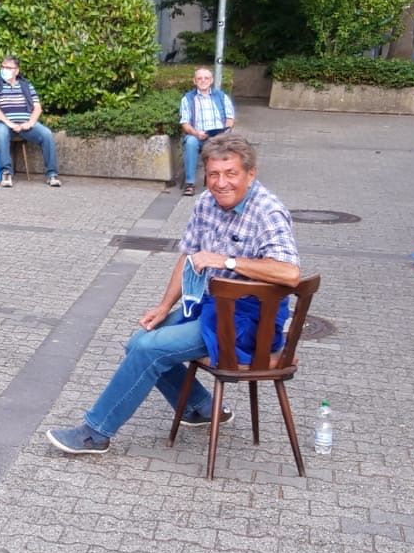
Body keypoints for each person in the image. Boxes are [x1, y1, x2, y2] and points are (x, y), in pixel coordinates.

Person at [46, 134, 300, 455]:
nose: (221, 183)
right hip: (212, 307)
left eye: (231, 173)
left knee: (149, 349)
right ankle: (201, 407)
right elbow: (188, 256)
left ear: (251, 174)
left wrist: (228, 261)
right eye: (213, 174)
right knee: (138, 341)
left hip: (250, 322)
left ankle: (96, 433)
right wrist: (165, 305)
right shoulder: (207, 203)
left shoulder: (268, 212)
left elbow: (290, 273)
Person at [0, 55, 61, 188]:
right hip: (2, 123)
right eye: (3, 67)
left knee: (46, 134)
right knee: (1, 132)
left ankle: (52, 174)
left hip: (25, 123)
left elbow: (37, 107)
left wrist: (30, 123)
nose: (4, 70)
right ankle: (6, 173)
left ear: (16, 71)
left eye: (8, 67)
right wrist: (9, 123)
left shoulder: (26, 85)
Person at [178, 67, 236, 197]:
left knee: (224, 144)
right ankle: (190, 184)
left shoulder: (221, 96)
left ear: (211, 80)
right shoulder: (187, 98)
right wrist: (196, 133)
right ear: (194, 81)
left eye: (206, 78)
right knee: (190, 142)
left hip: (218, 136)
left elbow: (230, 119)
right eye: (199, 78)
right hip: (197, 135)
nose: (203, 81)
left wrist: (224, 132)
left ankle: (220, 183)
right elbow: (185, 123)